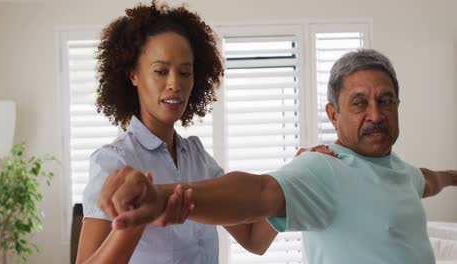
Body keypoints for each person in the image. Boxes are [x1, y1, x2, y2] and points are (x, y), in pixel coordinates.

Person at [98, 49, 457, 263]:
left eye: (386, 101)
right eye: (360, 103)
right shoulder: (323, 168)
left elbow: (429, 180)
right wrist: (160, 197)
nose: (376, 115)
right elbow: (256, 193)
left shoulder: (403, 172)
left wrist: (453, 176)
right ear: (333, 115)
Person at [76, 1, 284, 263]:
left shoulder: (197, 157)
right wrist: (137, 218)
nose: (175, 84)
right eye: (160, 71)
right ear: (133, 75)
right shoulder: (113, 162)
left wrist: (299, 173)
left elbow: (254, 238)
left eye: (185, 72)